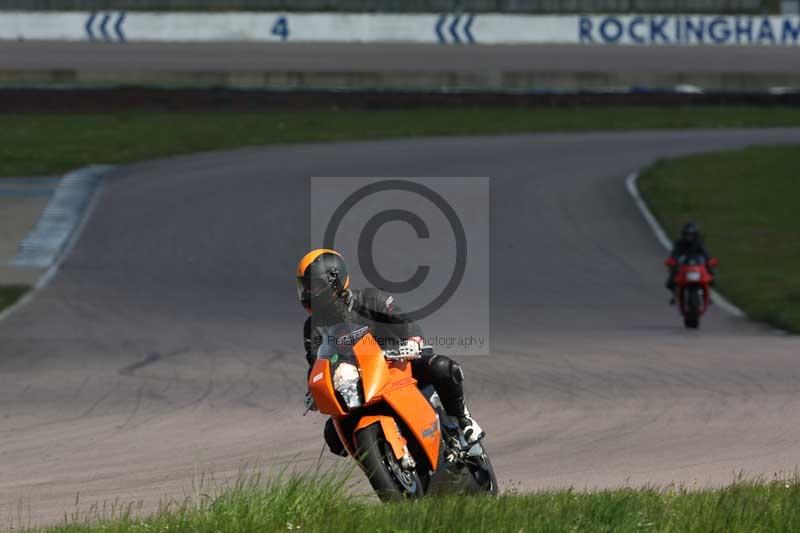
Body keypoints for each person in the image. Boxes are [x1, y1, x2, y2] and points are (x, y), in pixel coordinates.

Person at [297, 248, 484, 456]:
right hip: (357, 383)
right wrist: (314, 389)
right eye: (304, 288)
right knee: (333, 435)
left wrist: (412, 341)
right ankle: (380, 459)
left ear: (335, 281)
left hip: (399, 363)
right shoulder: (313, 327)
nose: (307, 294)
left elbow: (402, 321)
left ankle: (462, 420)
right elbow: (315, 362)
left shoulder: (370, 299)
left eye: (313, 287)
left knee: (442, 368)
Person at [665, 222, 715, 304]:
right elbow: (675, 254)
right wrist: (672, 261)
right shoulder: (679, 243)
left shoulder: (699, 243)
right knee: (672, 278)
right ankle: (674, 294)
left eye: (691, 235)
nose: (689, 237)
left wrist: (710, 260)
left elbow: (705, 253)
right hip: (684, 265)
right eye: (687, 235)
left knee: (710, 275)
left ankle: (708, 294)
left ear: (695, 235)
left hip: (697, 265)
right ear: (683, 235)